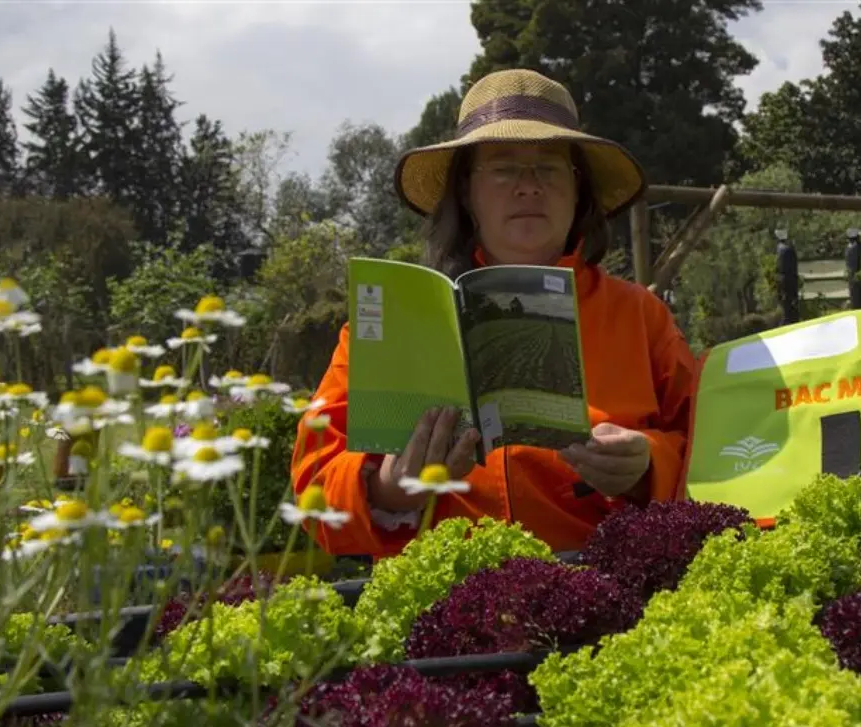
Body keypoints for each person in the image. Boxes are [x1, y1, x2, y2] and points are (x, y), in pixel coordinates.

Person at [291, 68, 696, 558]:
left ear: (578, 190)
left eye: (549, 168)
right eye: (504, 168)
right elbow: (314, 483)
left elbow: (708, 447)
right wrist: (390, 488)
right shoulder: (385, 327)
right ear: (466, 192)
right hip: (446, 606)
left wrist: (648, 466)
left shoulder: (640, 316)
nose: (529, 188)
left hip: (608, 596)